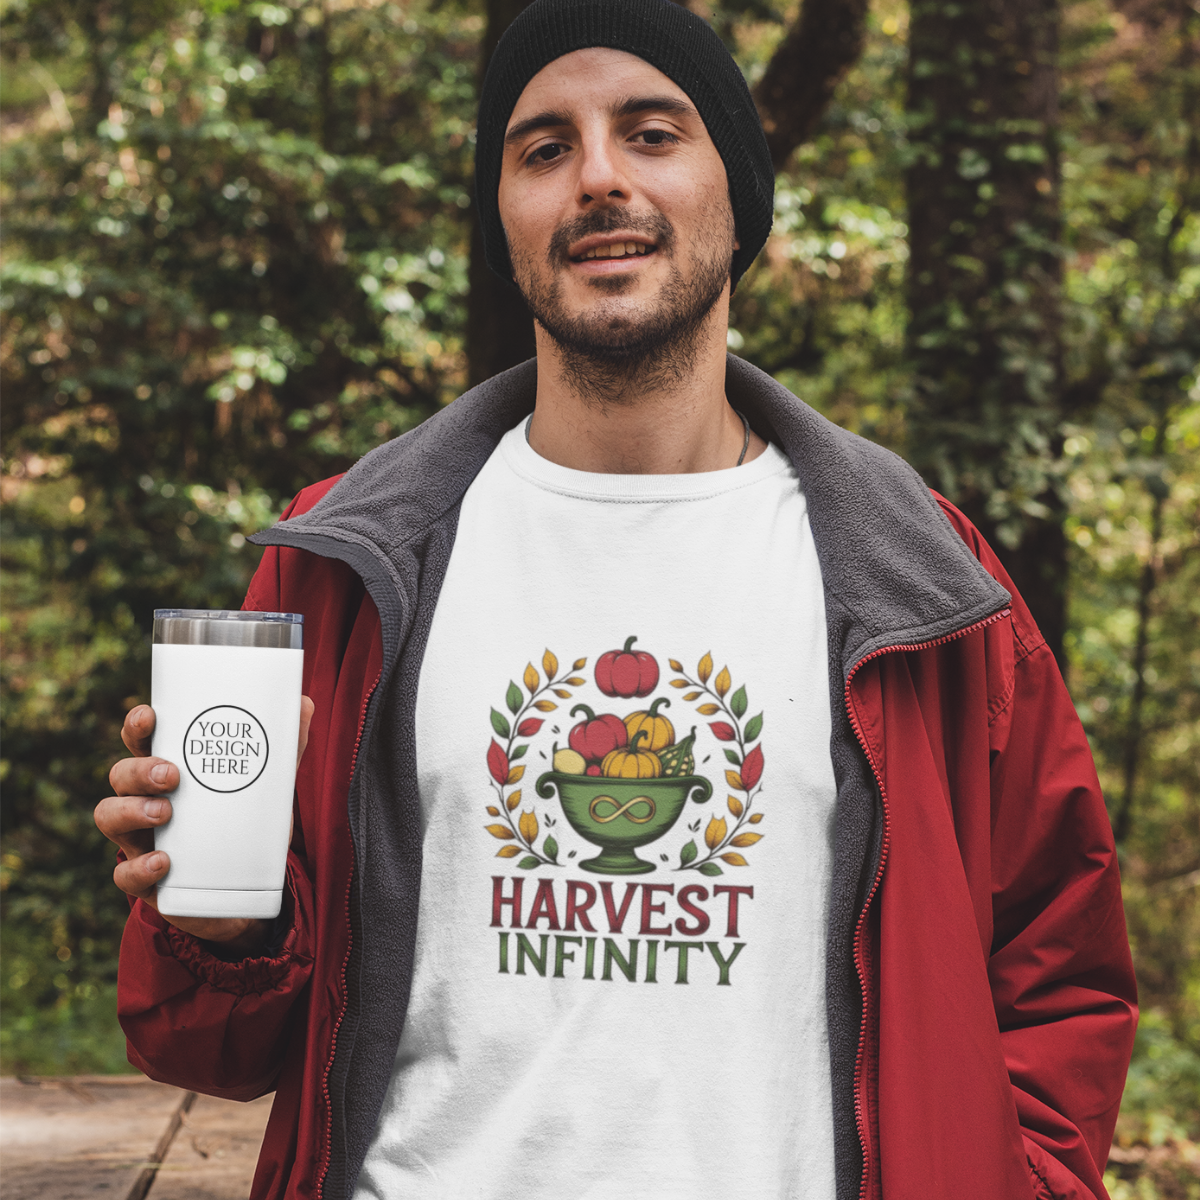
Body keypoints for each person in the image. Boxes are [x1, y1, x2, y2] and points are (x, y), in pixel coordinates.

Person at [96, 1, 1137, 1197]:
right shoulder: (350, 563)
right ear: (504, 215)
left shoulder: (922, 583)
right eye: (544, 148)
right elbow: (209, 1046)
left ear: (735, 191)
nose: (597, 179)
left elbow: (1060, 977)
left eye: (651, 133)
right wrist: (218, 929)